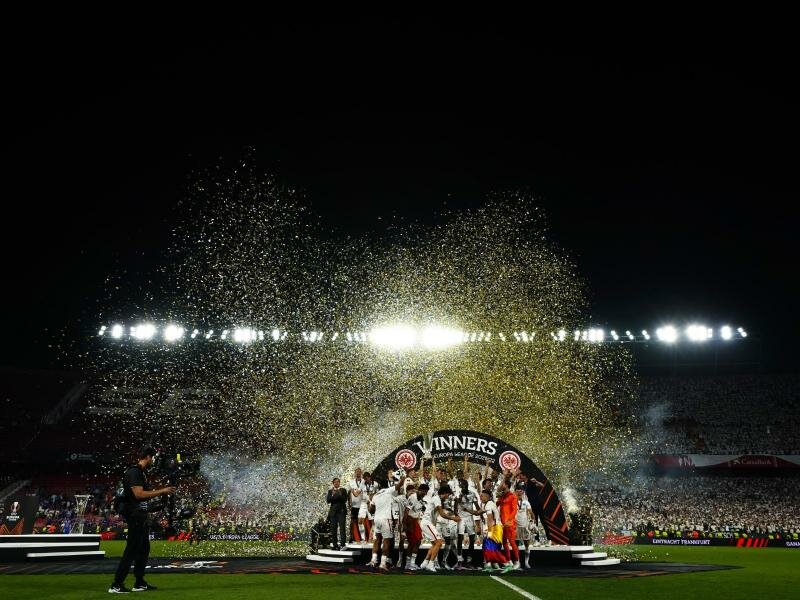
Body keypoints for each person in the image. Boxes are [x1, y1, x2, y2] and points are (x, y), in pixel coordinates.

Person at [109, 446, 175, 594]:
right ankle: (116, 584)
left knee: (144, 548)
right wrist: (162, 491)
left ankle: (139, 582)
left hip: (140, 515)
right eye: (154, 458)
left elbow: (141, 498)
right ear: (148, 457)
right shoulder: (135, 472)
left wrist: (158, 501)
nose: (155, 461)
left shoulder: (141, 473)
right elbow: (138, 494)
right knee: (131, 549)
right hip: (134, 516)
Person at [419, 484, 460, 573]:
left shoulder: (438, 499)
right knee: (439, 542)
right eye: (448, 494)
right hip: (427, 523)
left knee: (435, 544)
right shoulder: (437, 499)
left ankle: (424, 563)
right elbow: (442, 514)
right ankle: (431, 564)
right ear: (444, 493)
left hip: (427, 523)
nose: (448, 496)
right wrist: (454, 518)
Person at [496, 478, 521, 571]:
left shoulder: (513, 496)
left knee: (512, 542)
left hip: (509, 523)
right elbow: (496, 504)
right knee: (504, 542)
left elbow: (514, 510)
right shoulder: (502, 496)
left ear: (506, 485)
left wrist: (509, 520)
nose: (501, 485)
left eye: (502, 484)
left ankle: (517, 562)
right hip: (502, 523)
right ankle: (509, 561)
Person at [326, 478, 348, 550]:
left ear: (339, 483)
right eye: (335, 482)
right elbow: (328, 500)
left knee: (342, 528)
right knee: (333, 529)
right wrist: (334, 495)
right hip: (333, 512)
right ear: (333, 483)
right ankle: (335, 545)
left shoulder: (343, 490)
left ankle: (343, 544)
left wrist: (337, 495)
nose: (336, 483)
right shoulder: (330, 491)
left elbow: (344, 500)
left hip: (341, 512)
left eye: (338, 482)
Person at [347, 468, 367, 542]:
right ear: (355, 473)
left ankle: (363, 537)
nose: (358, 473)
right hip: (354, 505)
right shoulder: (351, 482)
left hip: (362, 505)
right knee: (352, 521)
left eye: (359, 472)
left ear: (361, 473)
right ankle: (351, 537)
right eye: (357, 472)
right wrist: (349, 504)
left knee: (362, 521)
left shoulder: (364, 481)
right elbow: (349, 493)